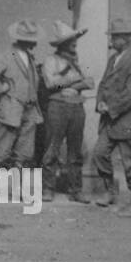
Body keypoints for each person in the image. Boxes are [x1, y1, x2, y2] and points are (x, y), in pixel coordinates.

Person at [92, 18, 131, 217]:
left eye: (115, 37)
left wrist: (111, 107)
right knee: (99, 153)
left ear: (126, 38)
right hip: (110, 120)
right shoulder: (112, 59)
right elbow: (103, 84)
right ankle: (110, 192)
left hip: (128, 120)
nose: (112, 40)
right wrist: (100, 102)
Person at [40, 21, 94, 204]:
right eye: (71, 40)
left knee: (75, 151)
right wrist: (74, 79)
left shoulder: (79, 61)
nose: (74, 43)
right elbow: (50, 83)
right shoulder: (51, 60)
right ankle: (48, 188)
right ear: (62, 43)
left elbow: (90, 82)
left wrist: (71, 83)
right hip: (57, 106)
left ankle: (75, 189)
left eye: (75, 40)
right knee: (52, 149)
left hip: (76, 107)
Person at [0, 19, 43, 168]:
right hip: (10, 110)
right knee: (1, 151)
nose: (34, 42)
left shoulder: (30, 58)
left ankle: (13, 188)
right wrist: (1, 88)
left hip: (29, 110)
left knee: (24, 154)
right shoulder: (8, 55)